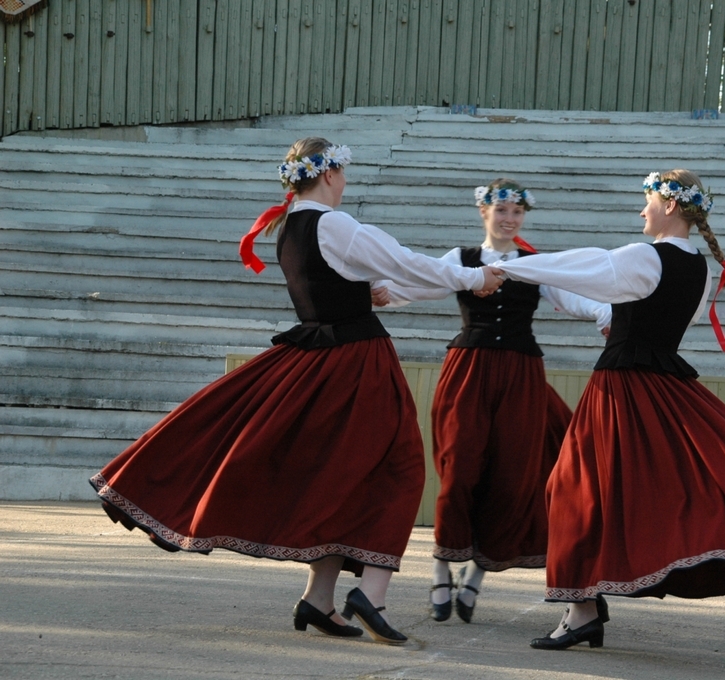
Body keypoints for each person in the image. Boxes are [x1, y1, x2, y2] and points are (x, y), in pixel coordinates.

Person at [88, 137, 503, 645]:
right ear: (328, 174)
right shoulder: (335, 224)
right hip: (356, 365)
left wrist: (376, 291)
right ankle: (369, 596)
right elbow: (404, 262)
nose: (346, 183)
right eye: (343, 174)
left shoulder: (288, 228)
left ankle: (319, 601)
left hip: (315, 360)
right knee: (398, 468)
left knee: (340, 478)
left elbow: (348, 281)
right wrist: (475, 275)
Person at [493, 169, 725, 650]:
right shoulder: (701, 268)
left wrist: (509, 266)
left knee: (572, 487)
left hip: (621, 390)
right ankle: (583, 608)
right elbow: (625, 307)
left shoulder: (642, 256)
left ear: (669, 206)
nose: (641, 209)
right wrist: (538, 277)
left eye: (647, 199)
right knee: (620, 491)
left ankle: (582, 610)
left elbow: (587, 268)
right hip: (664, 387)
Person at [377, 179, 610, 624]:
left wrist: (606, 313)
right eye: (501, 211)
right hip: (469, 369)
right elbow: (423, 282)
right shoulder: (460, 259)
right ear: (484, 212)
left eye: (516, 213)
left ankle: (477, 576)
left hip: (520, 374)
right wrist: (385, 291)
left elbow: (574, 298)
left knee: (510, 476)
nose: (509, 219)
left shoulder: (535, 264)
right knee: (459, 468)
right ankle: (441, 570)